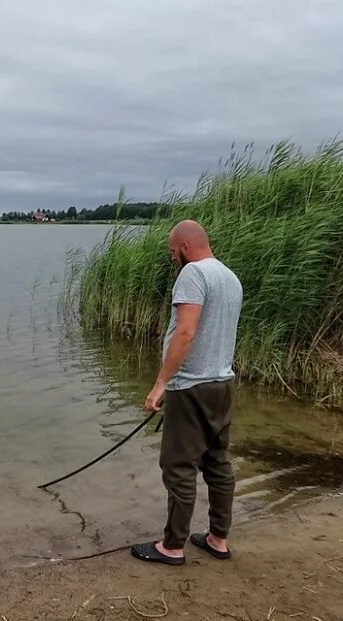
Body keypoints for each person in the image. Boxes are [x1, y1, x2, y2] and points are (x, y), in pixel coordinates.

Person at [131, 220, 243, 565]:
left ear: (184, 246)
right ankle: (217, 539)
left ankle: (173, 546)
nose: (172, 258)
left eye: (171, 251)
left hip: (191, 385)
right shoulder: (230, 277)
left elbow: (185, 333)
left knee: (178, 466)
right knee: (217, 463)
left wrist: (161, 383)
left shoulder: (193, 274)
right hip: (222, 383)